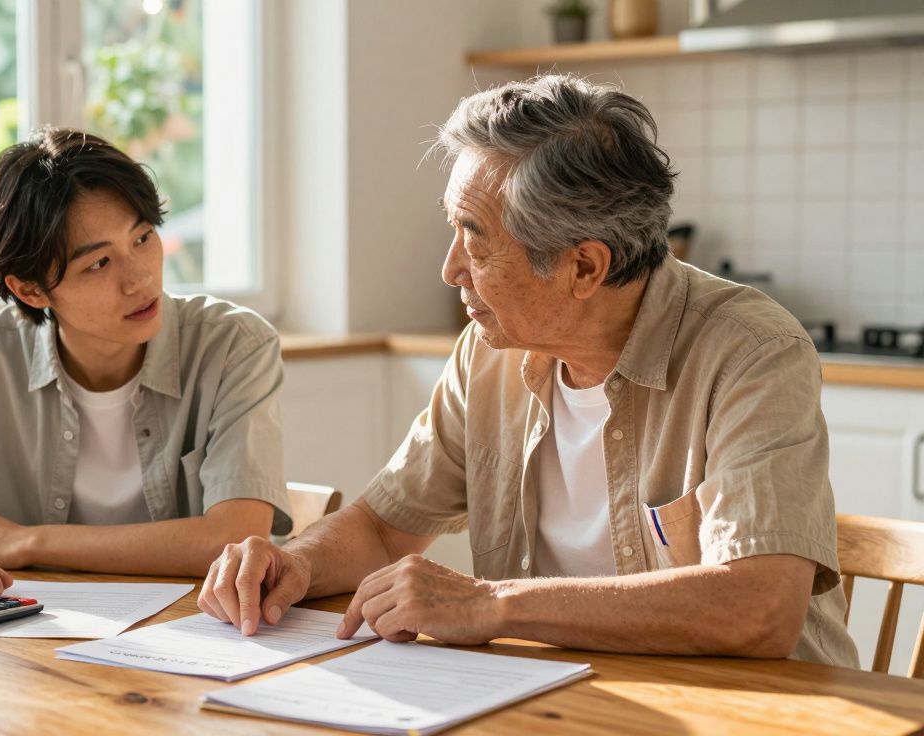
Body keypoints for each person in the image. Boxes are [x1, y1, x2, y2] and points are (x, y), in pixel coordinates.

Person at [199, 74, 859, 667]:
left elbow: (758, 606)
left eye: (475, 239)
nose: (450, 270)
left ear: (584, 267)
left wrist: (491, 605)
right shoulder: (489, 350)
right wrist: (293, 562)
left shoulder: (752, 352)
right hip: (565, 700)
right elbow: (381, 526)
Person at [0, 127, 291, 596]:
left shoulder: (234, 346)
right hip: (39, 632)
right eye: (99, 264)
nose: (139, 279)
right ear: (30, 290)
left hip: (194, 623)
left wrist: (30, 542)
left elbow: (233, 538)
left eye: (142, 237)